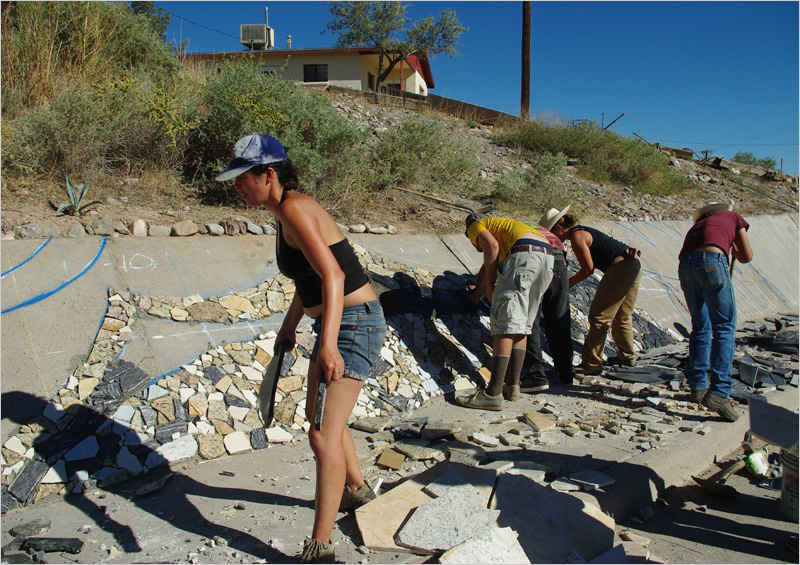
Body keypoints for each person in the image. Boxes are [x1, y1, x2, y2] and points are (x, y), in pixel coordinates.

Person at [216, 134, 387, 564]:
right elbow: (307, 280)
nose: (237, 187)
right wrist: (290, 326)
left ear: (268, 174)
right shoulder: (284, 213)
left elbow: (333, 276)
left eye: (242, 178)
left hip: (352, 324)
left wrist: (327, 345)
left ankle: (320, 548)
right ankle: (355, 491)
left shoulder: (293, 208)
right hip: (340, 322)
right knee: (329, 423)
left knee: (321, 434)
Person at [461, 213, 554, 409]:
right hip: (547, 256)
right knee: (523, 322)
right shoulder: (509, 228)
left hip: (524, 256)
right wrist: (477, 295)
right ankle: (513, 386)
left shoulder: (475, 225)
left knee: (505, 322)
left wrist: (490, 289)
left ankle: (492, 394)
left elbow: (491, 248)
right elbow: (489, 265)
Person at [678, 202, 753, 422]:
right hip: (712, 262)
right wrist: (734, 249)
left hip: (686, 266)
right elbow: (746, 256)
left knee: (700, 326)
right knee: (724, 329)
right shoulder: (734, 218)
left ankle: (698, 386)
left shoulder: (698, 226)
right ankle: (720, 392)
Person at [549, 212, 642, 375]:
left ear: (558, 227)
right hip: (633, 262)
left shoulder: (577, 237)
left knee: (599, 317)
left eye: (552, 232)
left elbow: (587, 269)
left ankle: (591, 363)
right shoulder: (582, 231)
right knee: (623, 314)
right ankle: (626, 355)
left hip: (619, 267)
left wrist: (567, 284)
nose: (553, 238)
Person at [522, 206, 577, 389]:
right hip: (559, 265)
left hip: (534, 257)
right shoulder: (556, 240)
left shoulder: (525, 231)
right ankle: (566, 373)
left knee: (531, 321)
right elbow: (564, 263)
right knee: (559, 320)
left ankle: (536, 375)